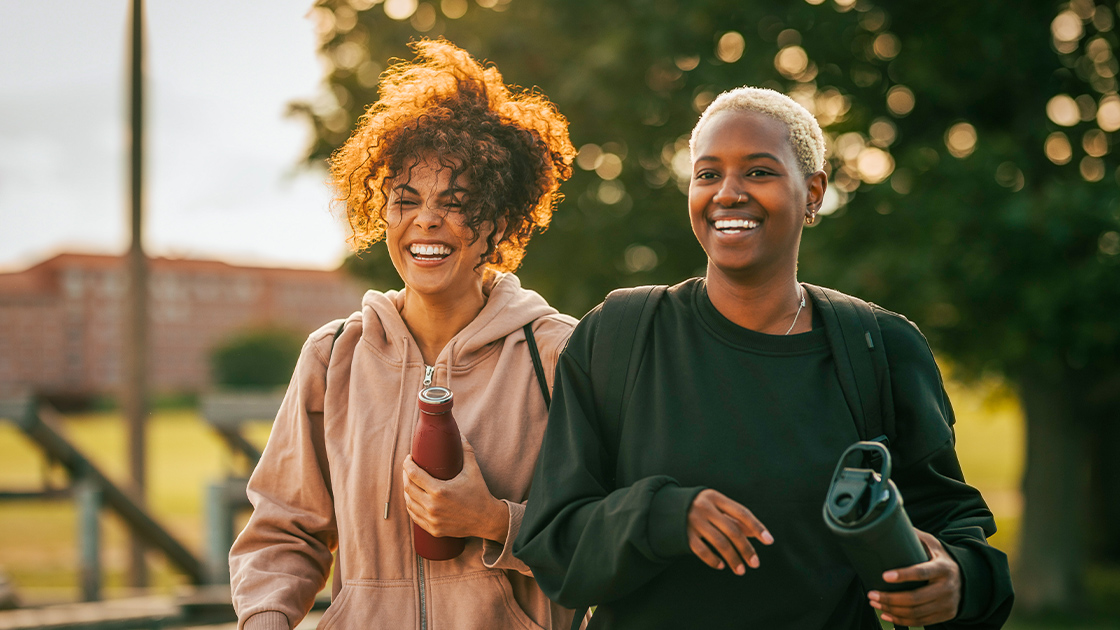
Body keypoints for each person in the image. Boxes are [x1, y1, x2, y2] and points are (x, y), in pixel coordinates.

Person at [513, 87, 1014, 629]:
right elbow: (554, 546)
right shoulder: (620, 334)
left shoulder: (881, 348)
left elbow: (953, 523)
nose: (728, 193)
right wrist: (663, 516)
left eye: (758, 172)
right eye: (707, 174)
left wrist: (959, 580)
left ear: (814, 192)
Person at [229, 39, 578, 630]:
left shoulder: (556, 355)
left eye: (457, 202)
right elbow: (284, 527)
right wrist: (265, 616)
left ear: (496, 221)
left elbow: (604, 534)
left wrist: (496, 521)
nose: (427, 220)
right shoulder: (333, 357)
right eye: (406, 200)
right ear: (383, 214)